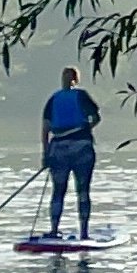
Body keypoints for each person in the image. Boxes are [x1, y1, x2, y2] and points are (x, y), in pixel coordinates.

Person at [40, 65, 102, 238]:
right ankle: (84, 232)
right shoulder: (81, 96)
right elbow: (96, 118)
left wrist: (46, 154)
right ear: (76, 79)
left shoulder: (53, 99)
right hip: (81, 147)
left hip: (58, 149)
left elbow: (45, 130)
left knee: (58, 190)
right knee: (82, 190)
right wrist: (86, 128)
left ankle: (54, 229)